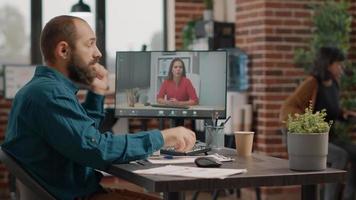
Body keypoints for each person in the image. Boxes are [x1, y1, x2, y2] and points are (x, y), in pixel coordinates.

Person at [1, 15, 196, 200]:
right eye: (90, 44)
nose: (98, 53)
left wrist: (97, 92)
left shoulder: (43, 89)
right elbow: (97, 149)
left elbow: (84, 138)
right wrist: (163, 137)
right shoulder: (50, 94)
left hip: (77, 191)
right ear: (63, 51)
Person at [280, 46, 356, 200]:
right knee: (340, 156)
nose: (341, 68)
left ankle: (349, 196)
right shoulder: (312, 83)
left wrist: (343, 114)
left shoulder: (334, 84)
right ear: (328, 64)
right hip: (308, 138)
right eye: (339, 64)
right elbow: (287, 107)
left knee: (355, 152)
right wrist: (307, 123)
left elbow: (329, 108)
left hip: (327, 136)